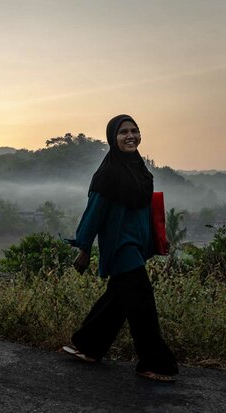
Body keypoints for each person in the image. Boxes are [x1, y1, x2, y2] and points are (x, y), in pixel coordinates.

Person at [64, 114, 178, 382]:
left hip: (137, 245)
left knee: (117, 299)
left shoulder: (140, 170)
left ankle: (87, 345)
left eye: (134, 131)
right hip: (120, 246)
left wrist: (158, 239)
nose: (130, 136)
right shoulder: (108, 174)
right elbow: (94, 213)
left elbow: (145, 211)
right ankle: (154, 363)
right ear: (112, 139)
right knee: (142, 303)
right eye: (123, 132)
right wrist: (84, 248)